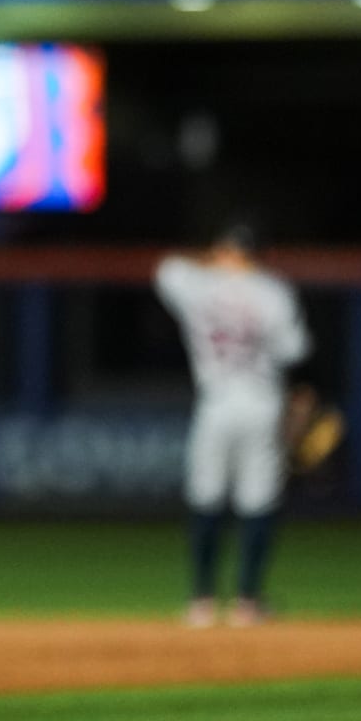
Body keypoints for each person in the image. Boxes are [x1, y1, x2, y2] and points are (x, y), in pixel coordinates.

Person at [156, 228, 310, 627]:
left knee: (206, 496)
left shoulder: (198, 284)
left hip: (216, 403)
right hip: (261, 401)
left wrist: (214, 258)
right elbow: (295, 349)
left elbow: (166, 269)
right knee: (258, 500)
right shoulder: (273, 291)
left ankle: (201, 603)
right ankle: (247, 602)